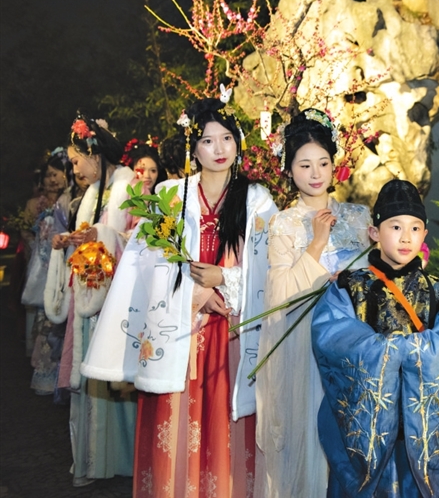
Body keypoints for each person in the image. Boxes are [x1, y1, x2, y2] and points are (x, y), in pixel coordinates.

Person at [80, 95, 277, 497]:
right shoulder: (170, 195)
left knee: (227, 429)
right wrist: (196, 291)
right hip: (178, 334)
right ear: (193, 148)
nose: (219, 149)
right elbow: (146, 265)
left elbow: (272, 266)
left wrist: (226, 279)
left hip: (232, 335)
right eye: (208, 140)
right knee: (176, 427)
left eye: (227, 138)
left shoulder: (257, 199)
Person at [312, 179, 439, 498]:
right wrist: (390, 351)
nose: (406, 237)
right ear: (374, 232)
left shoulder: (438, 290)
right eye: (395, 227)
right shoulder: (350, 286)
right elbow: (331, 336)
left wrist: (407, 350)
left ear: (425, 234)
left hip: (418, 435)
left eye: (415, 228)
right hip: (369, 433)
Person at [255, 108, 371, 498]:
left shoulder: (358, 217)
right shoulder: (284, 223)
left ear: (335, 164)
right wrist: (317, 244)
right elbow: (280, 295)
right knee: (311, 434)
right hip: (306, 344)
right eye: (304, 165)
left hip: (352, 344)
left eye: (323, 162)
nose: (315, 173)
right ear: (289, 170)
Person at [48, 114, 137, 487]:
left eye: (76, 161)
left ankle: (125, 460)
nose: (75, 169)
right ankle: (93, 460)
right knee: (92, 377)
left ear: (94, 154)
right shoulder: (91, 194)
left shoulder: (129, 186)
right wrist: (70, 242)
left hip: (116, 298)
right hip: (90, 292)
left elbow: (140, 239)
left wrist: (101, 235)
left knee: (115, 374)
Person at [22, 149, 71, 396]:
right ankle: (44, 374)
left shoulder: (69, 201)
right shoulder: (37, 204)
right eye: (49, 175)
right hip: (43, 265)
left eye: (56, 174)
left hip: (62, 263)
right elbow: (26, 231)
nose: (52, 180)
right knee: (46, 319)